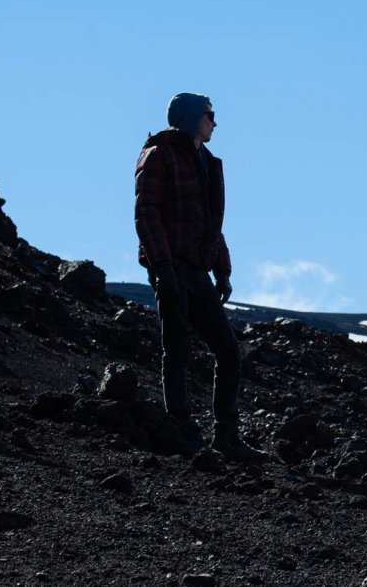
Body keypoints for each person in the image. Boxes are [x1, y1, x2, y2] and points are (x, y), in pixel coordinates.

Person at [134, 92, 269, 462]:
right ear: (193, 117)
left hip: (195, 269)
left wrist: (221, 270)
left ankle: (226, 436)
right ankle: (181, 427)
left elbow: (210, 222)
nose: (214, 122)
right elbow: (146, 213)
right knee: (176, 348)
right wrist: (162, 267)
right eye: (210, 115)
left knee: (227, 351)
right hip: (172, 266)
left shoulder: (205, 162)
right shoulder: (159, 154)